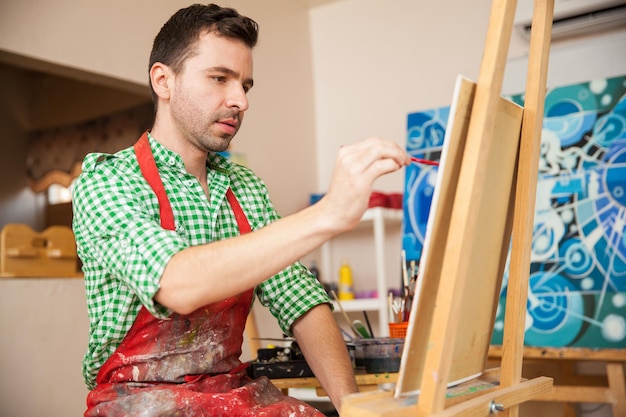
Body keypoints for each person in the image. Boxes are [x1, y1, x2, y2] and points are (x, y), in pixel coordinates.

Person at [72, 3, 409, 416]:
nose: (240, 100)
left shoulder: (244, 188)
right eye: (219, 78)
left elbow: (300, 300)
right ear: (164, 80)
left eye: (245, 85)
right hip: (137, 401)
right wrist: (327, 214)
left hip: (232, 395)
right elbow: (176, 283)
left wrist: (354, 406)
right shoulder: (108, 181)